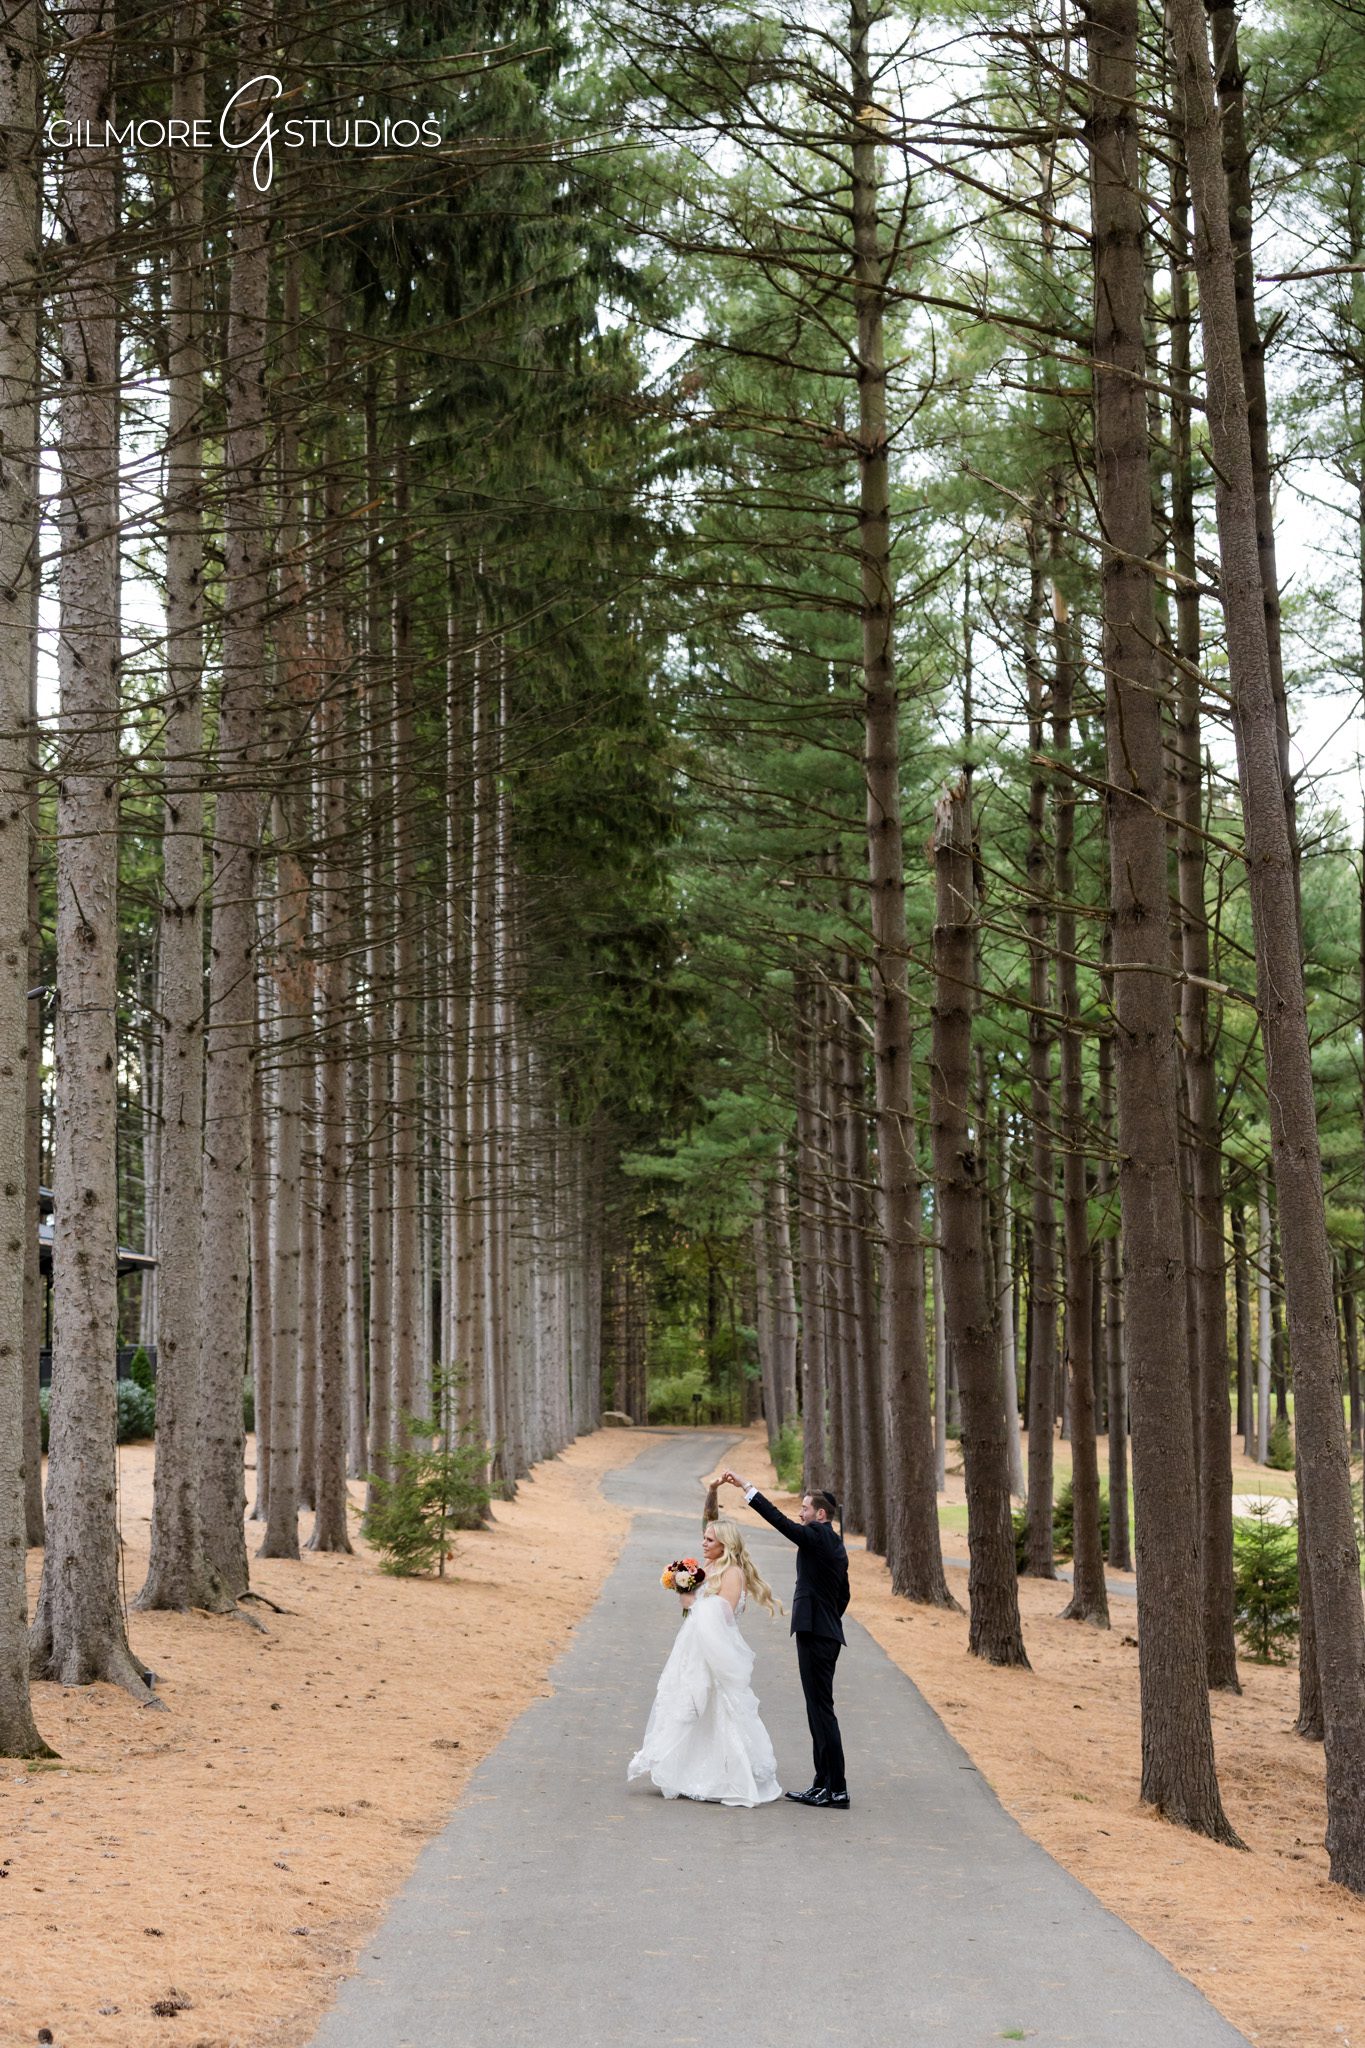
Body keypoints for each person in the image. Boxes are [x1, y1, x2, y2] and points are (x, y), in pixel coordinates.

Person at [627, 1518, 783, 1808]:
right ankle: (689, 1770)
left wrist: (692, 1602)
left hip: (717, 1650)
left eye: (710, 1540)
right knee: (690, 1705)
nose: (704, 1543)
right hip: (695, 1646)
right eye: (704, 1538)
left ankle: (726, 1776)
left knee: (719, 1706)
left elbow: (724, 1613)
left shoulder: (733, 1572)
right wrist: (685, 1592)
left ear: (725, 1543)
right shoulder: (707, 1569)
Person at [718, 1468, 850, 1811]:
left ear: (820, 1515)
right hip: (825, 1632)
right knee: (817, 1709)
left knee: (821, 1711)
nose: (800, 1514)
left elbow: (780, 1522)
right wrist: (826, 1616)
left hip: (817, 1634)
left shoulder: (818, 1535)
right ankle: (823, 1784)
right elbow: (844, 1595)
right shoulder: (834, 1544)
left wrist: (748, 1488)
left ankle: (836, 1790)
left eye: (805, 1509)